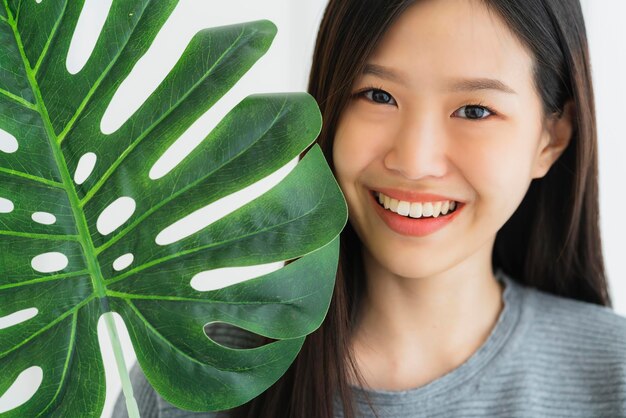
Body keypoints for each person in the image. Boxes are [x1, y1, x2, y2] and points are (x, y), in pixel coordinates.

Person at [114, 0, 626, 417]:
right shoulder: (192, 376)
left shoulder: (613, 377)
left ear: (551, 137)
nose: (414, 161)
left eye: (475, 110)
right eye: (377, 95)